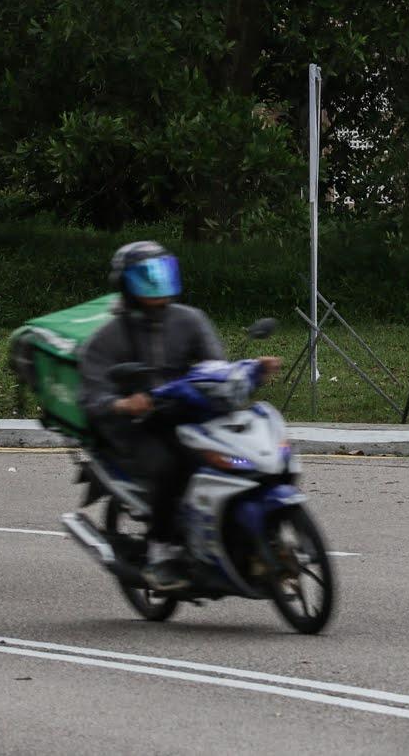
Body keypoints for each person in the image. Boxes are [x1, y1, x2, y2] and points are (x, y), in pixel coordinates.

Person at [78, 241, 279, 591]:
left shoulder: (190, 319)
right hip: (137, 427)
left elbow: (214, 368)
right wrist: (123, 404)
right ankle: (161, 552)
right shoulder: (108, 338)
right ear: (126, 284)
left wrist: (249, 372)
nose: (157, 284)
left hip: (191, 411)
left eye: (162, 273)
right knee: (172, 468)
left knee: (249, 454)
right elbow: (91, 395)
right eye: (146, 277)